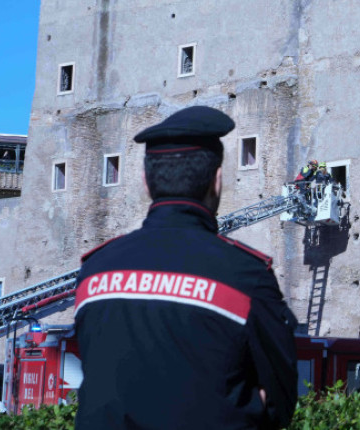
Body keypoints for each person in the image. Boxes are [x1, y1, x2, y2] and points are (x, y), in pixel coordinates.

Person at [73, 106, 298, 429]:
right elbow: (280, 400)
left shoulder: (93, 272)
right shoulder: (245, 277)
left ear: (146, 183)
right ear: (216, 181)